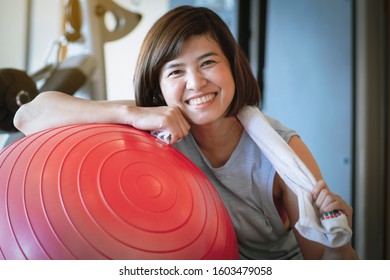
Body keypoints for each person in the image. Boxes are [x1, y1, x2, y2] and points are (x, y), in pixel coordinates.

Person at [14, 5, 358, 259]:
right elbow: (28, 116)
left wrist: (337, 240)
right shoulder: (152, 122)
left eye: (208, 62)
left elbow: (320, 263)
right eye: (176, 70)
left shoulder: (282, 151)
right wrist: (130, 113)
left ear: (233, 67)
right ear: (158, 85)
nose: (196, 83)